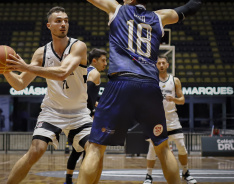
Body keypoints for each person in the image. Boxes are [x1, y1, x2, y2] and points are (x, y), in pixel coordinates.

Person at [76, 0, 202, 184]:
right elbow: (191, 7)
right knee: (164, 148)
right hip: (150, 86)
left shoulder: (116, 8)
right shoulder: (159, 16)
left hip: (121, 82)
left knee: (95, 148)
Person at [2, 7, 93, 184]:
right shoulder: (41, 53)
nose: (63, 24)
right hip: (52, 111)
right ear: (49, 25)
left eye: (66, 20)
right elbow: (20, 84)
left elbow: (62, 73)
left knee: (94, 150)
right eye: (58, 21)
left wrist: (26, 67)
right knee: (35, 151)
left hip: (79, 113)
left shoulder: (78, 46)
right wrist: (5, 71)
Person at [143, 55, 197, 184]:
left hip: (172, 119)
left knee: (182, 146)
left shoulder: (175, 80)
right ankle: (148, 175)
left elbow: (182, 100)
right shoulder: (151, 80)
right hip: (156, 120)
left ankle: (185, 172)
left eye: (163, 63)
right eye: (159, 63)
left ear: (167, 65)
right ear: (156, 65)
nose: (161, 65)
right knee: (152, 148)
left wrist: (173, 99)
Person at [64, 48, 107, 184]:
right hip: (84, 117)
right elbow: (86, 93)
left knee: (77, 150)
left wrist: (95, 102)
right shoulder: (94, 73)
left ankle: (68, 180)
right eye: (103, 60)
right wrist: (93, 111)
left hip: (71, 115)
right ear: (94, 60)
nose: (105, 63)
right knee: (93, 152)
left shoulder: (82, 71)